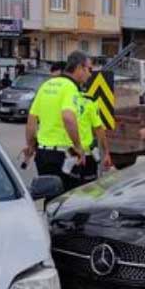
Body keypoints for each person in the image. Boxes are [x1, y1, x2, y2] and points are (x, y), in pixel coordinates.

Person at [22, 51, 93, 188]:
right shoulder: (70, 88)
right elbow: (68, 117)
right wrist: (78, 146)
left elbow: (32, 119)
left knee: (49, 195)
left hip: (43, 155)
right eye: (88, 69)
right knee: (67, 199)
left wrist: (31, 145)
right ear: (79, 68)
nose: (90, 74)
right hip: (64, 155)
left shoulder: (46, 86)